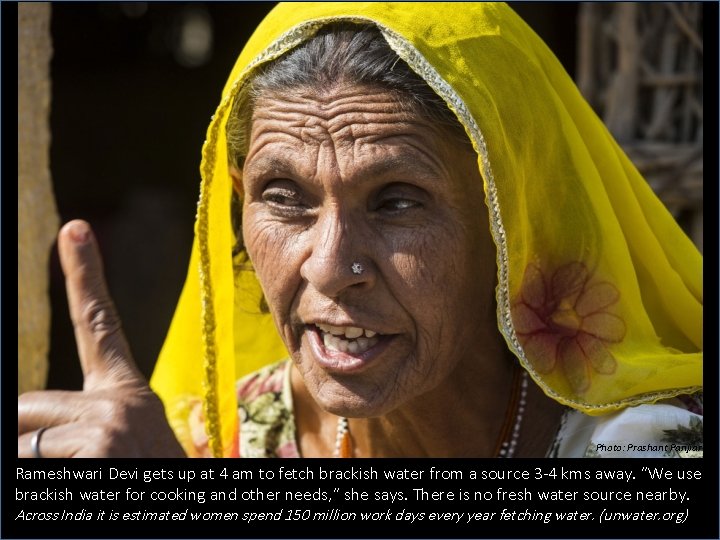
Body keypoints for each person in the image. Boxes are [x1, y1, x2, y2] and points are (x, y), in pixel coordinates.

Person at [18, 3, 702, 459]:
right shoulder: (213, 443)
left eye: (397, 202)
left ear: (509, 223)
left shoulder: (645, 452)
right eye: (285, 198)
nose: (330, 265)